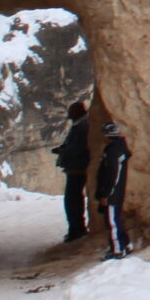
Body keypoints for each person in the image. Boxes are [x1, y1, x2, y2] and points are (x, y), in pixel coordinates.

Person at [51, 100, 92, 242]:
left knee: (72, 199)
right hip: (77, 166)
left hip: (78, 167)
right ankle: (76, 228)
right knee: (74, 198)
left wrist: (63, 151)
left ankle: (77, 229)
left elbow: (79, 147)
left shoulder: (82, 126)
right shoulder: (82, 124)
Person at [95, 120, 133, 260]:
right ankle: (127, 244)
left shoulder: (113, 151)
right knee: (117, 219)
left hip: (112, 194)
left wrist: (106, 194)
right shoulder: (119, 149)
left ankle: (118, 250)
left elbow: (112, 175)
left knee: (112, 222)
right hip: (116, 192)